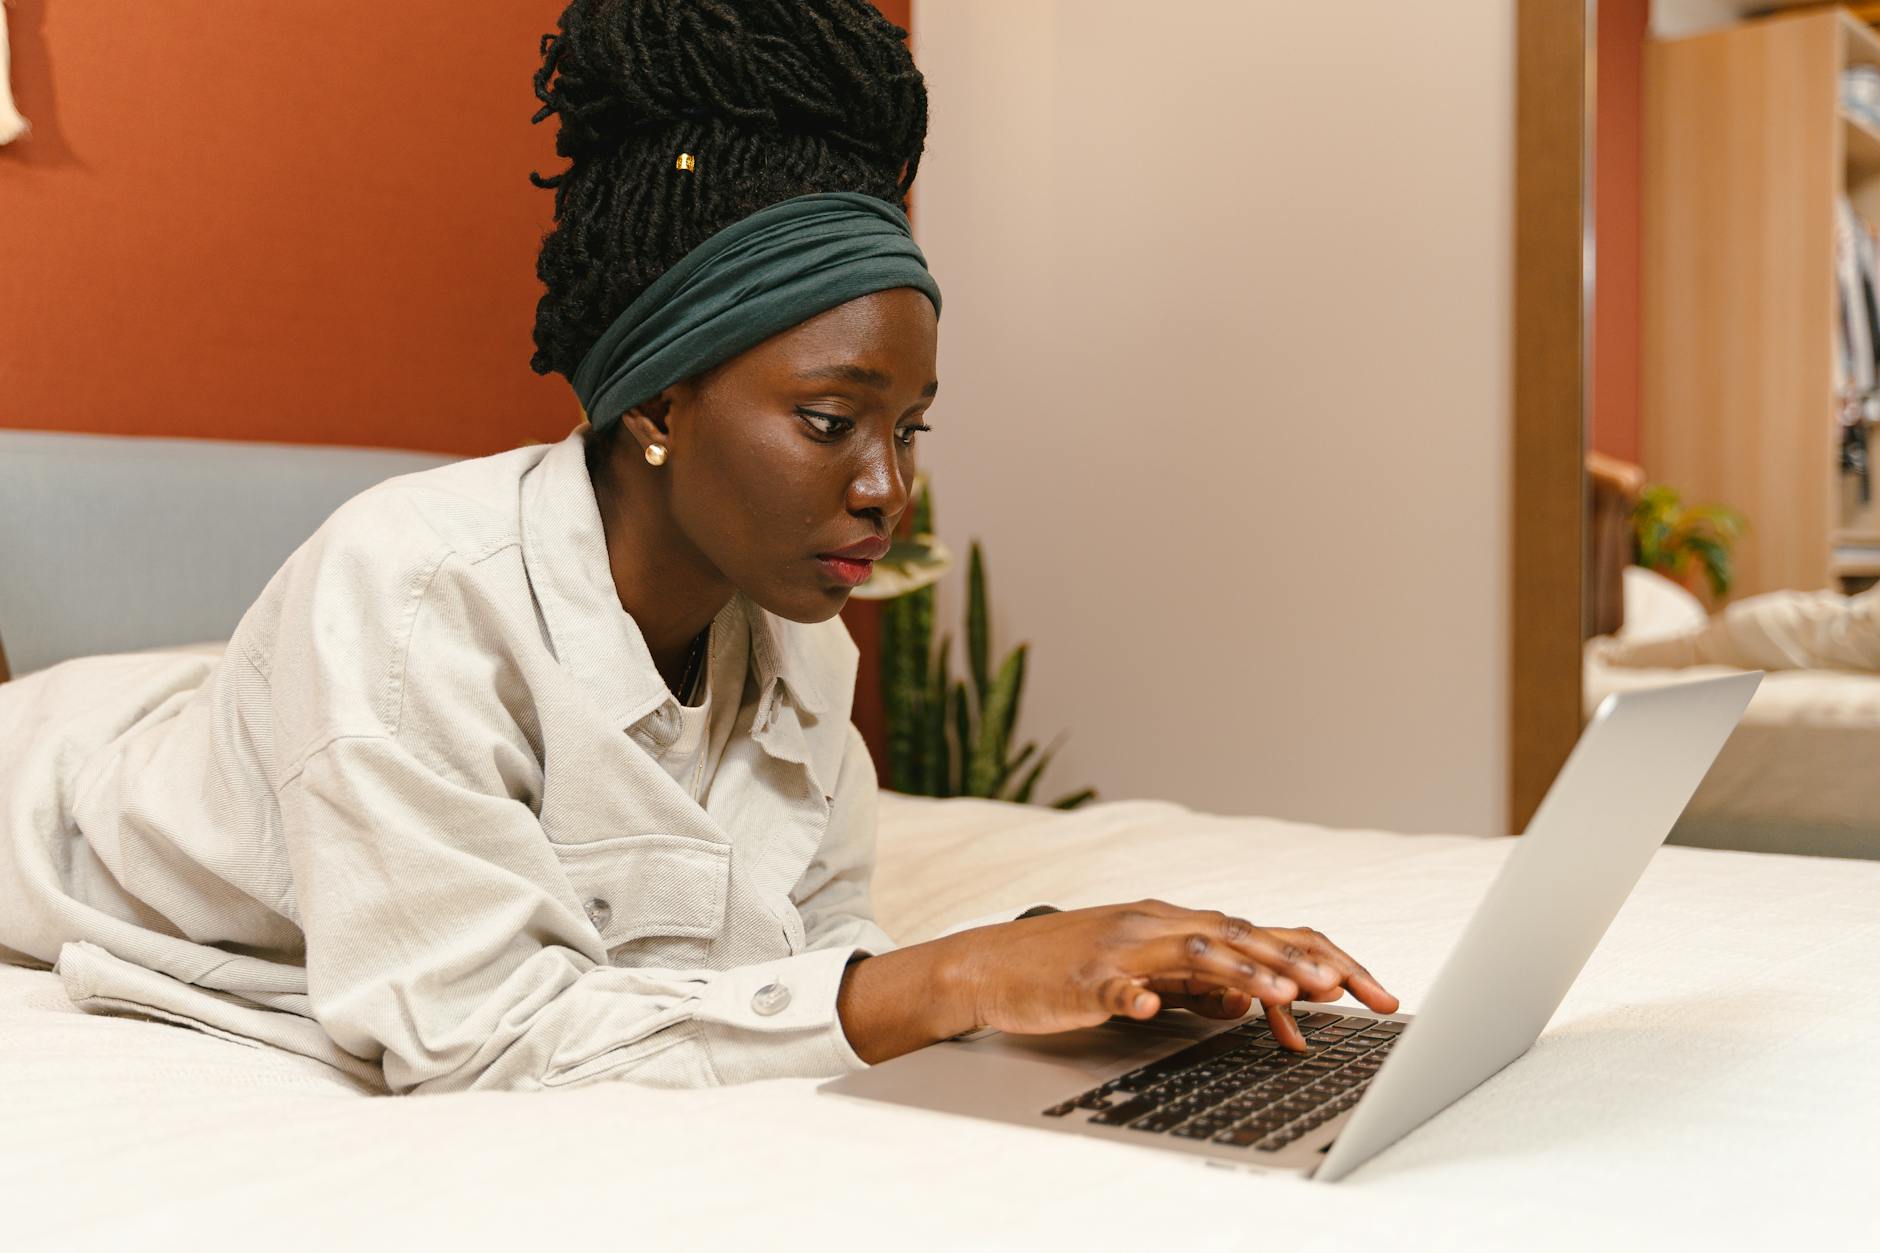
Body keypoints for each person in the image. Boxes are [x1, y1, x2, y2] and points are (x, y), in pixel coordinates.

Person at [0, 0, 1396, 1095]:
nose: (885, 489)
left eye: (909, 429)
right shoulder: (412, 592)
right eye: (832, 419)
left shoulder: (790, 629)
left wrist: (1081, 969)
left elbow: (785, 962)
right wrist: (962, 974)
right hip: (44, 782)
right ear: (661, 404)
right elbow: (477, 1037)